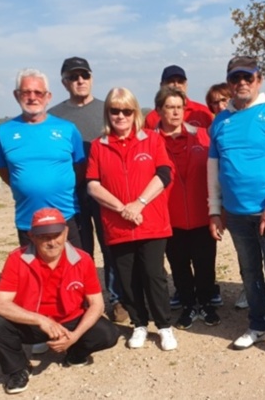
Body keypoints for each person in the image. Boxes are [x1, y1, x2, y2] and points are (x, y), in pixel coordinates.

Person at [208, 55, 265, 366]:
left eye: (248, 77)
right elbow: (214, 169)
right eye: (236, 79)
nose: (242, 83)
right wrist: (214, 210)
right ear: (229, 83)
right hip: (235, 214)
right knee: (250, 273)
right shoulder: (221, 120)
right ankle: (258, 326)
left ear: (259, 80)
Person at [0, 207, 120, 395]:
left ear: (66, 233)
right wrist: (41, 320)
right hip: (34, 322)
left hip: (70, 321)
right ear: (32, 236)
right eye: (44, 236)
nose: (52, 242)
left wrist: (75, 336)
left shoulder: (83, 259)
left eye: (57, 234)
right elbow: (0, 304)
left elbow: (97, 304)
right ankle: (18, 369)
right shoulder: (17, 259)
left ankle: (74, 353)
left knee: (109, 333)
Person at [86, 87, 177, 351]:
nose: (121, 116)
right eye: (115, 110)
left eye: (127, 110)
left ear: (135, 112)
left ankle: (163, 326)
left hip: (151, 222)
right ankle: (139, 323)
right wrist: (121, 208)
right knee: (127, 279)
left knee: (153, 275)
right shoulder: (98, 146)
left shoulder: (151, 139)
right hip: (118, 225)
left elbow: (163, 174)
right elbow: (92, 184)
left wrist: (138, 204)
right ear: (108, 113)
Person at [49, 56, 127, 323]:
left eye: (84, 75)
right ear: (64, 82)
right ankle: (83, 301)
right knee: (80, 250)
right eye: (73, 77)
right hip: (71, 193)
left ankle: (117, 300)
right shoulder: (55, 116)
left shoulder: (109, 110)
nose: (80, 80)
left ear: (91, 78)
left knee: (110, 245)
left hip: (105, 190)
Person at [0, 68, 84, 248]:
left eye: (38, 92)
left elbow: (80, 168)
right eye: (26, 92)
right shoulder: (3, 133)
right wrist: (27, 186)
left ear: (48, 96)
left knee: (73, 273)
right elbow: (5, 172)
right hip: (28, 221)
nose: (32, 97)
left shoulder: (68, 129)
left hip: (66, 216)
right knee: (34, 274)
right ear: (16, 95)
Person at [155, 86, 220, 329]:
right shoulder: (150, 141)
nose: (175, 112)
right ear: (159, 110)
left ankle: (206, 303)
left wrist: (219, 210)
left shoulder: (203, 136)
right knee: (179, 265)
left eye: (179, 107)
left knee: (205, 264)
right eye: (169, 107)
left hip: (202, 214)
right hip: (169, 217)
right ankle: (188, 305)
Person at [144, 65, 213, 129]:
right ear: (162, 85)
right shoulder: (152, 118)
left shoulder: (202, 112)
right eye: (171, 81)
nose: (176, 85)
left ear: (186, 85)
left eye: (180, 82)